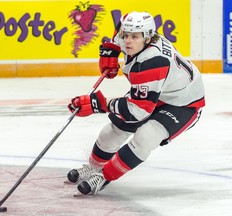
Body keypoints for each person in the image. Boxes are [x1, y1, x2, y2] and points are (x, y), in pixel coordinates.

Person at [66, 11, 205, 196]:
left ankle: (104, 177)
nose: (128, 41)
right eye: (126, 35)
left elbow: (137, 111)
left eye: (134, 37)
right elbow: (119, 28)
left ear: (147, 38)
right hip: (159, 89)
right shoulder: (132, 38)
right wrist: (111, 50)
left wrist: (97, 104)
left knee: (146, 136)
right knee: (115, 129)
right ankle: (93, 168)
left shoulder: (153, 62)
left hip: (184, 102)